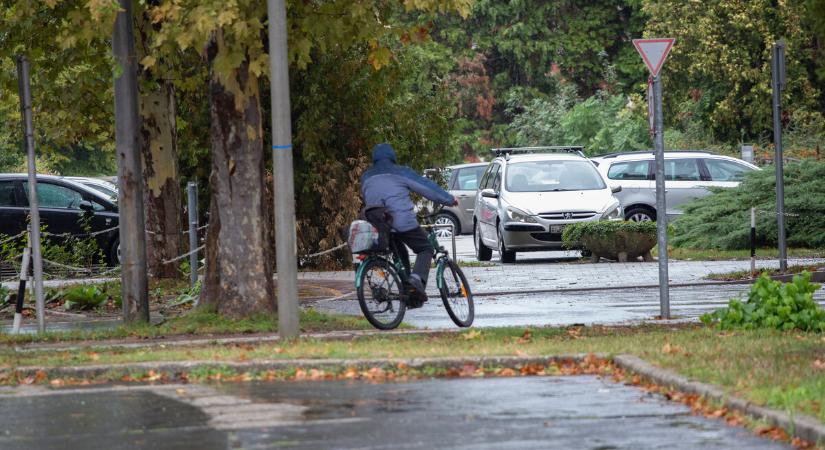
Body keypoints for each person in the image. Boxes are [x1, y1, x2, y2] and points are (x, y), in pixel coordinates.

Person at [360, 143, 457, 301]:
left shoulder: (366, 177)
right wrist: (449, 199)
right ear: (392, 157)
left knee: (401, 253)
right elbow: (427, 188)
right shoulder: (401, 172)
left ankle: (409, 293)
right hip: (401, 221)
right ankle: (416, 281)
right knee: (425, 248)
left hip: (380, 226)